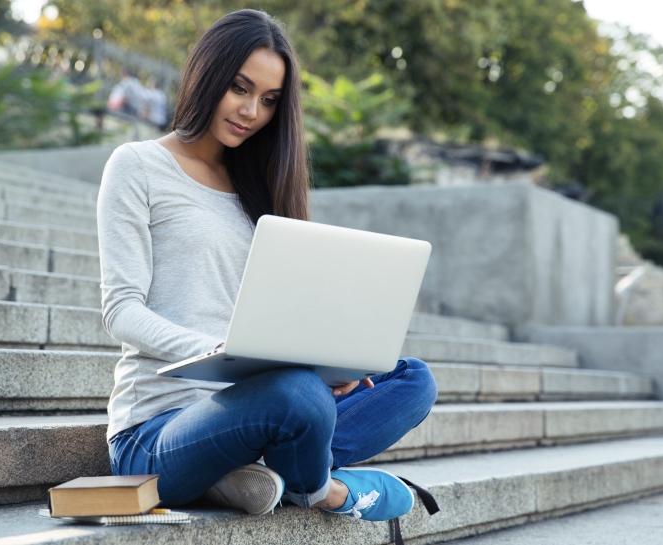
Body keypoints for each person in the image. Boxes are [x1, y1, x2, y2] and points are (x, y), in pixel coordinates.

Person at [98, 9, 438, 523]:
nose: (252, 110)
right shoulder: (138, 165)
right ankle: (324, 489)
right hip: (156, 431)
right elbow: (121, 310)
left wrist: (333, 364)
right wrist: (213, 351)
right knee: (295, 396)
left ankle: (262, 472)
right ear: (208, 73)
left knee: (412, 380)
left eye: (269, 100)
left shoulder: (263, 189)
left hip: (260, 403)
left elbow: (286, 312)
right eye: (240, 87)